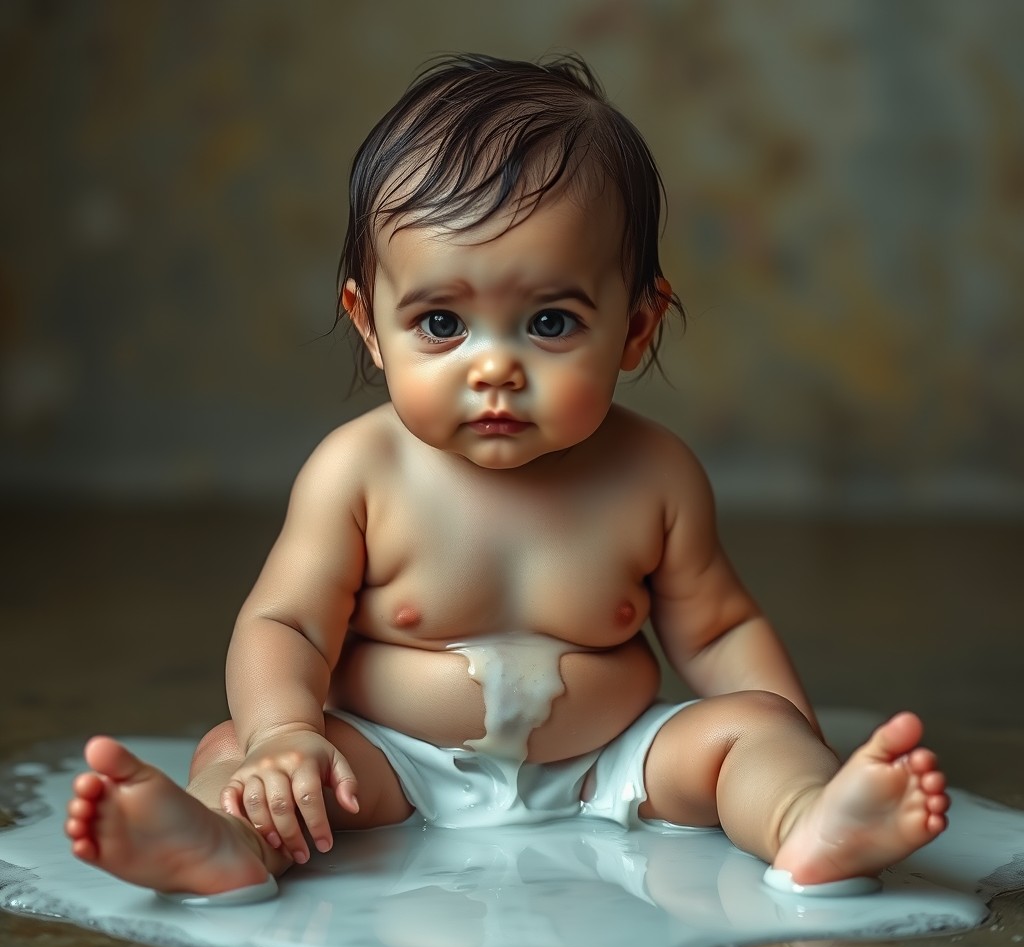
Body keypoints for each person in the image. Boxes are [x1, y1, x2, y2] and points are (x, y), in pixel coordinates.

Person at [65, 53, 948, 903]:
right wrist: (283, 734)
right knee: (243, 751)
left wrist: (792, 741)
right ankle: (223, 845)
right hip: (395, 762)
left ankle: (809, 821)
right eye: (443, 323)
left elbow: (719, 633)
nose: (494, 368)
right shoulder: (359, 471)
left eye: (551, 322)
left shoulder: (655, 477)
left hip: (609, 766)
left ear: (636, 330)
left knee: (749, 733)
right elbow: (286, 621)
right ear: (369, 324)